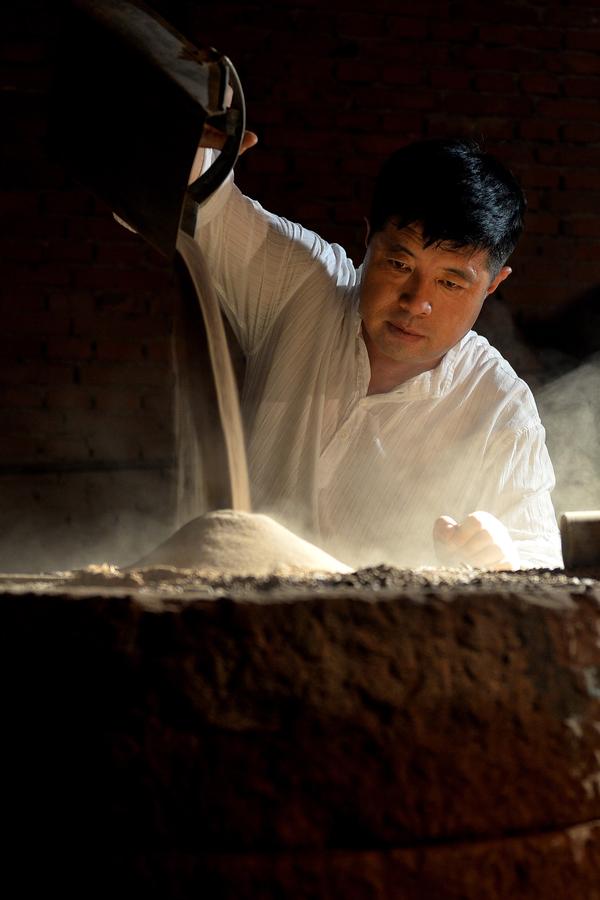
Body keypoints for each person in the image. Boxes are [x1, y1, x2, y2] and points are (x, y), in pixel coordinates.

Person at [179, 132, 562, 570]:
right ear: (369, 240)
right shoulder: (300, 288)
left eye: (450, 283)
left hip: (380, 633)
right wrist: (192, 129)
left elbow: (539, 563)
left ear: (493, 284)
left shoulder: (500, 409)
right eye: (399, 265)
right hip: (236, 612)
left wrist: (504, 557)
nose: (416, 302)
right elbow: (199, 204)